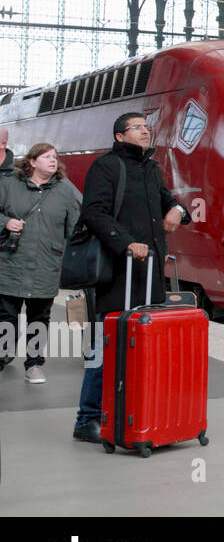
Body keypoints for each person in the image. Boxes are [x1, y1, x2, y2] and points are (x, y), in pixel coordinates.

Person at [74, 113, 189, 443]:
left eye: (146, 127)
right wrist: (125, 243)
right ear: (120, 136)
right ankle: (87, 419)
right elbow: (93, 212)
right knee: (104, 345)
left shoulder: (152, 168)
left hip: (149, 275)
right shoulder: (106, 167)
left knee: (141, 346)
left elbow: (171, 201)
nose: (145, 131)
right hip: (116, 272)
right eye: (137, 127)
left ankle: (132, 412)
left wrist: (177, 211)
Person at [0, 143, 81, 383]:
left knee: (40, 318)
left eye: (55, 157)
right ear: (32, 161)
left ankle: (34, 364)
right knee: (6, 316)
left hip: (47, 264)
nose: (53, 160)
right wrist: (4, 222)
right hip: (10, 263)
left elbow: (74, 228)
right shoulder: (8, 185)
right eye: (46, 156)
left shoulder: (65, 192)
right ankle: (3, 354)